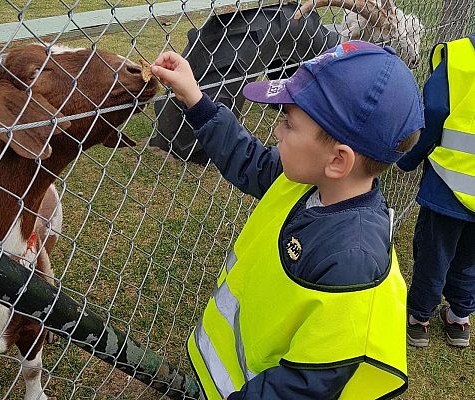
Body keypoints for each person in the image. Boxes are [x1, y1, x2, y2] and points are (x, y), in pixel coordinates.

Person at [152, 40, 423, 399]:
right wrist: (195, 99)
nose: (277, 133)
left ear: (338, 160)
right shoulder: (310, 182)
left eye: (288, 124)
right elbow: (249, 160)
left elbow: (302, 387)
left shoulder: (353, 264)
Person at [397, 34, 475, 348]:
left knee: (434, 252)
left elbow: (434, 113)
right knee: (471, 257)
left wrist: (409, 159)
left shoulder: (460, 56)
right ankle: (459, 318)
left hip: (449, 185)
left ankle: (419, 319)